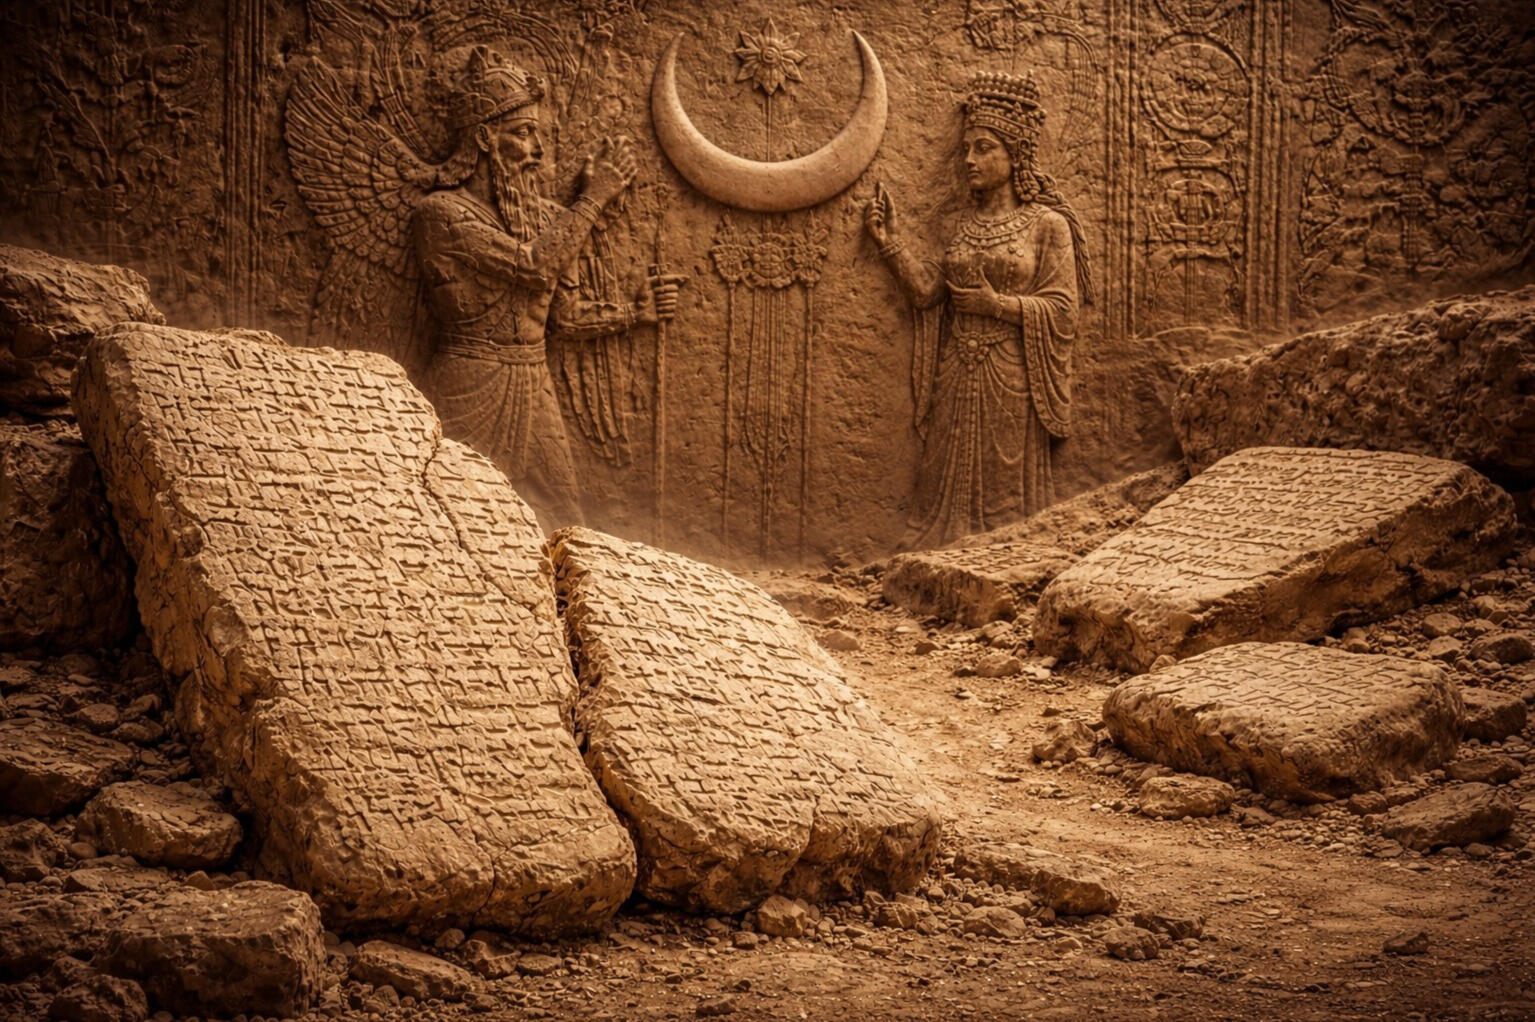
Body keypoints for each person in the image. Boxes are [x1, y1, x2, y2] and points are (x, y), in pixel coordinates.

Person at [413, 45, 683, 529]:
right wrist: (595, 197)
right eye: (523, 134)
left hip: (533, 383)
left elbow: (568, 317)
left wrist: (634, 314)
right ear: (483, 139)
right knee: (453, 514)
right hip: (469, 383)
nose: (537, 152)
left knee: (565, 517)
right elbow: (535, 266)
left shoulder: (544, 218)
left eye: (538, 135)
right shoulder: (442, 215)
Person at [865, 70, 1092, 548]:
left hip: (1013, 372)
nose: (969, 159)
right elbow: (928, 292)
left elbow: (1064, 311)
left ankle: (1009, 557)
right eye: (967, 148)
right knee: (946, 471)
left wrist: (998, 305)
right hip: (956, 372)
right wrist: (890, 245)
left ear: (1015, 154)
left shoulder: (1047, 225)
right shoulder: (960, 224)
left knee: (1006, 480)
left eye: (984, 147)